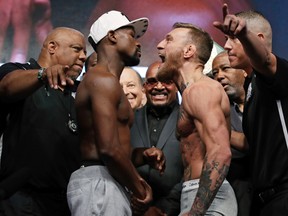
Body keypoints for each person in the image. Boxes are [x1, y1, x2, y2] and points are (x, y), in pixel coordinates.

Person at [67, 10, 165, 216]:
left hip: (108, 178)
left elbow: (115, 147)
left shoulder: (110, 83)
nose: (138, 43)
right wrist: (140, 189)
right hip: (99, 179)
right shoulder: (101, 80)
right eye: (131, 35)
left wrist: (142, 155)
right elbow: (108, 150)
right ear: (111, 36)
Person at [0, 27, 86, 215]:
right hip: (21, 199)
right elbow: (6, 86)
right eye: (77, 49)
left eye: (85, 52)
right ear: (52, 47)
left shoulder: (78, 90)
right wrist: (42, 74)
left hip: (66, 202)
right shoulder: (19, 71)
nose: (83, 57)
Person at [213, 4, 288, 216]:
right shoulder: (252, 86)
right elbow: (250, 143)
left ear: (259, 39)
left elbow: (264, 59)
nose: (226, 46)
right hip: (263, 200)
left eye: (233, 39)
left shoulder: (274, 76)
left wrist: (243, 33)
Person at [157, 22, 237, 215]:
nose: (160, 45)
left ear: (188, 51)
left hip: (209, 200)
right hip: (196, 194)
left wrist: (196, 212)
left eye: (169, 39)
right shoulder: (190, 93)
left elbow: (220, 152)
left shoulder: (201, 89)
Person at [130, 61, 183, 216]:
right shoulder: (129, 119)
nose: (159, 87)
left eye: (167, 81)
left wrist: (166, 207)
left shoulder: (189, 120)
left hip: (173, 210)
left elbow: (194, 169)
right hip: (132, 207)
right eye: (152, 81)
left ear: (177, 86)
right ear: (145, 86)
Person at [212, 51, 252, 216]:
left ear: (244, 70)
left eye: (225, 68)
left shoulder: (267, 105)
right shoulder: (217, 114)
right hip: (238, 200)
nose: (219, 76)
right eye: (215, 73)